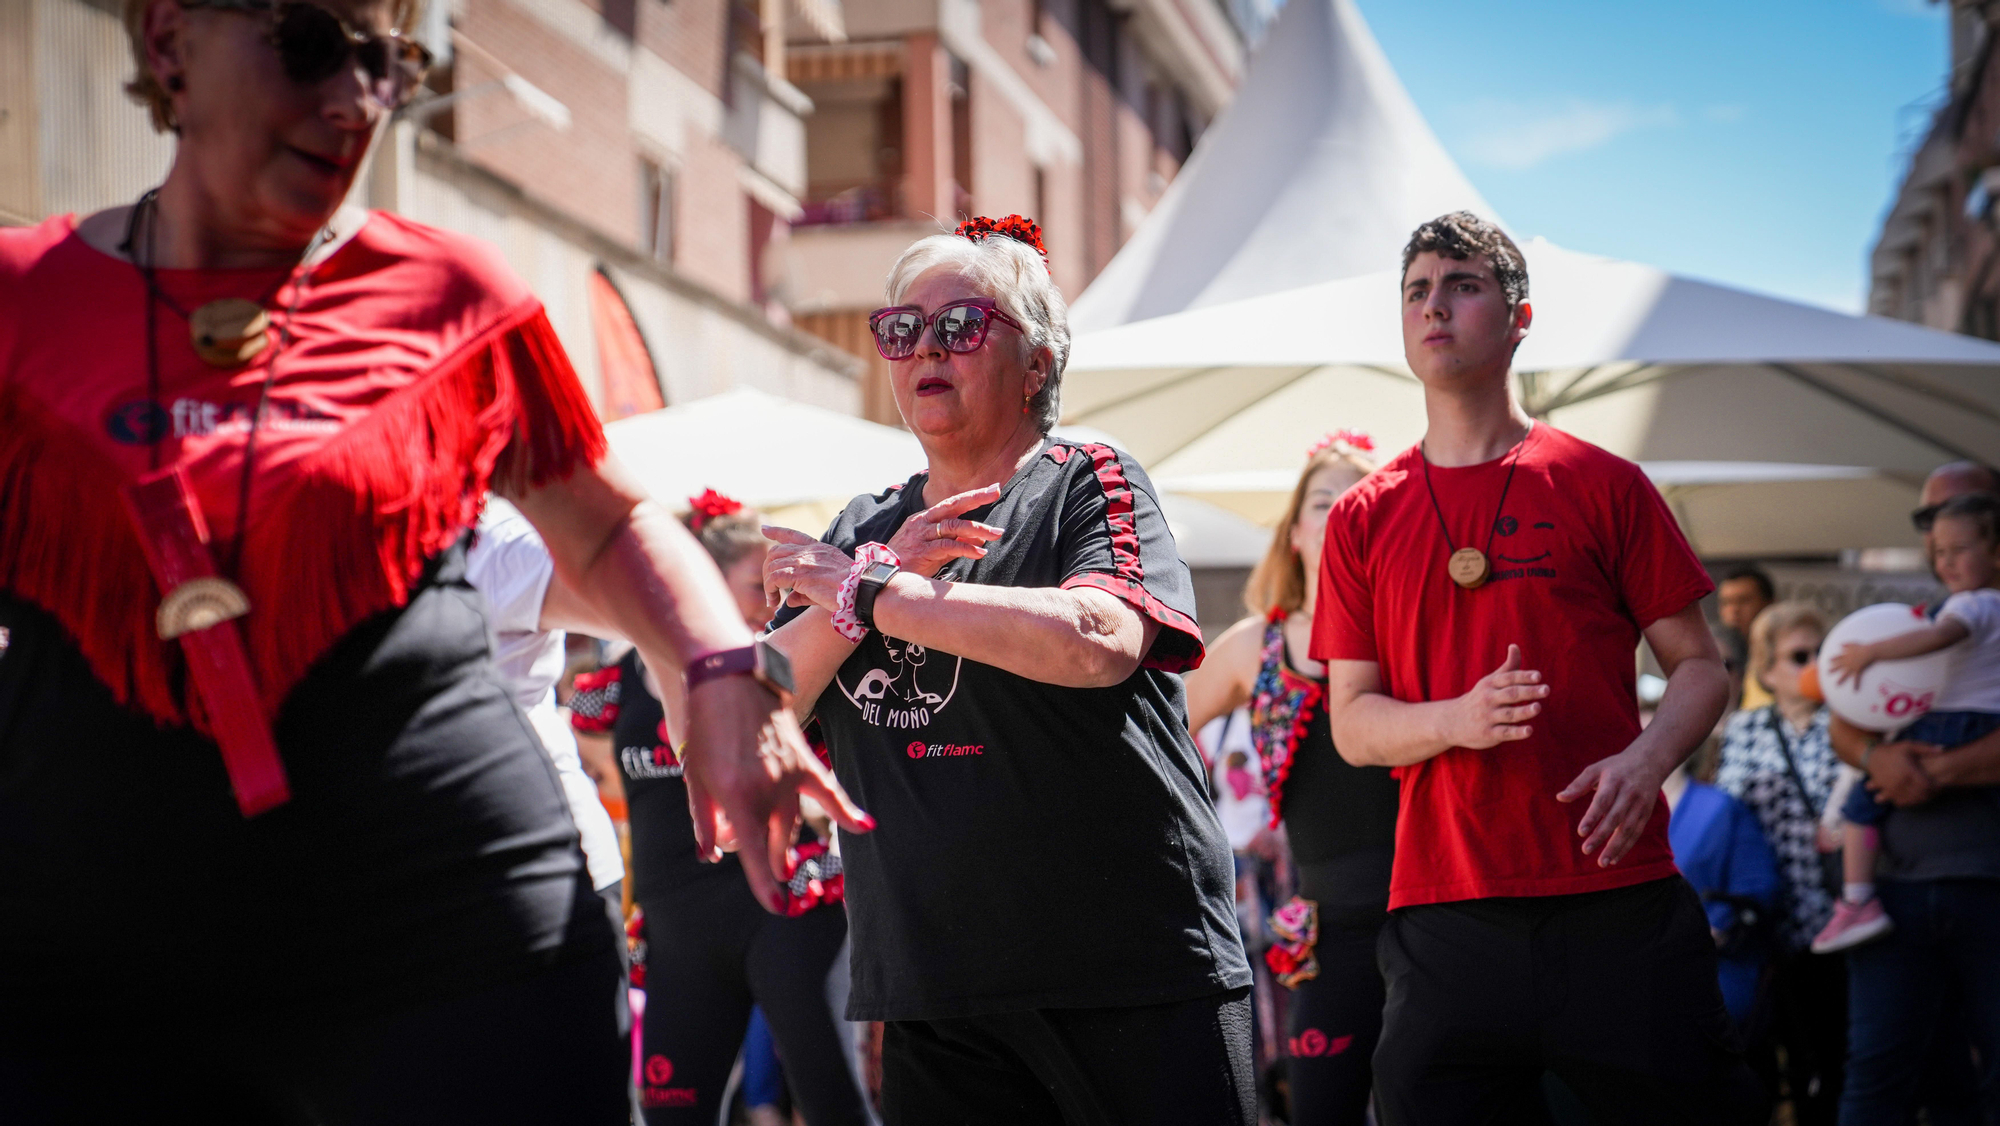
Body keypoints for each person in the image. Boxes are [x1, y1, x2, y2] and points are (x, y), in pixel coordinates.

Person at [0, 2, 862, 1118]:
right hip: (102, 952)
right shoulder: (25, 301)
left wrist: (717, 667)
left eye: (385, 61)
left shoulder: (450, 294)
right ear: (169, 41)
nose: (355, 97)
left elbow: (602, 524)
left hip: (450, 932)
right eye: (312, 44)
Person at [761, 215, 1255, 1125]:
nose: (923, 350)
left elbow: (1097, 638)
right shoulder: (859, 528)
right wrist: (858, 590)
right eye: (901, 329)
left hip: (1132, 974)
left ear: (1037, 364)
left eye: (960, 326)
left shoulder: (1086, 478)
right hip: (936, 997)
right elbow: (755, 702)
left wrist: (878, 596)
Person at [1312, 212, 1761, 1124]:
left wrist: (1645, 762)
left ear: (1519, 317)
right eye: (1416, 291)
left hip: (1616, 901)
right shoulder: (1362, 516)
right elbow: (1353, 725)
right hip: (1444, 912)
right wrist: (1456, 719)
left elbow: (1701, 670)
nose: (1434, 306)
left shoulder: (1605, 483)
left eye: (1462, 285)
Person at [570, 493, 871, 1126]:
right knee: (671, 1114)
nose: (770, 596)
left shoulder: (779, 665)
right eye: (751, 580)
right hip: (678, 926)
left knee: (833, 1106)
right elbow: (596, 765)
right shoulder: (618, 682)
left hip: (783, 909)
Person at [1184, 430, 1396, 1126]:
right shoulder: (1256, 644)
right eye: (1324, 502)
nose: (1340, 516)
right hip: (1326, 933)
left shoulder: (1412, 628)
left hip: (1435, 922)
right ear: (1296, 532)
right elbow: (1156, 736)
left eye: (1359, 501)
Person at [1826, 462, 2000, 1126]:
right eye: (1927, 523)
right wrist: (1877, 755)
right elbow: (1845, 723)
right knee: (1879, 1075)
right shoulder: (1919, 618)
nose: (1937, 539)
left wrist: (1929, 772)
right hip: (1895, 894)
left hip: (1989, 884)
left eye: (1958, 519)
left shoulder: (1969, 615)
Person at [1817, 493, 2000, 953]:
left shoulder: (1971, 604)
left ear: (1996, 553)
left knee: (1861, 802)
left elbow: (1940, 637)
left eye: (1959, 551)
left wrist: (1872, 652)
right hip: (1975, 725)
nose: (1946, 563)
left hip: (1951, 726)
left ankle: (1857, 901)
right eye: (1938, 552)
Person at [1714, 603, 1845, 1124]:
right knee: (1763, 1056)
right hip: (1763, 925)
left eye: (1822, 653)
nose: (1814, 664)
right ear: (1767, 670)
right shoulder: (1744, 731)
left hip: (1834, 922)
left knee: (1834, 1053)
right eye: (1799, 655)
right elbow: (1728, 813)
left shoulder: (1850, 725)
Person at [1664, 757, 1780, 1033]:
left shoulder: (1719, 808)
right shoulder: (1604, 813)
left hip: (1712, 967)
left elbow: (1758, 886)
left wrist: (1713, 929)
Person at [1722, 567, 1778, 709]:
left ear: (1769, 603)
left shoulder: (1783, 653)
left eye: (1743, 600)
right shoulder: (1716, 651)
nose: (1734, 609)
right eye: (1726, 602)